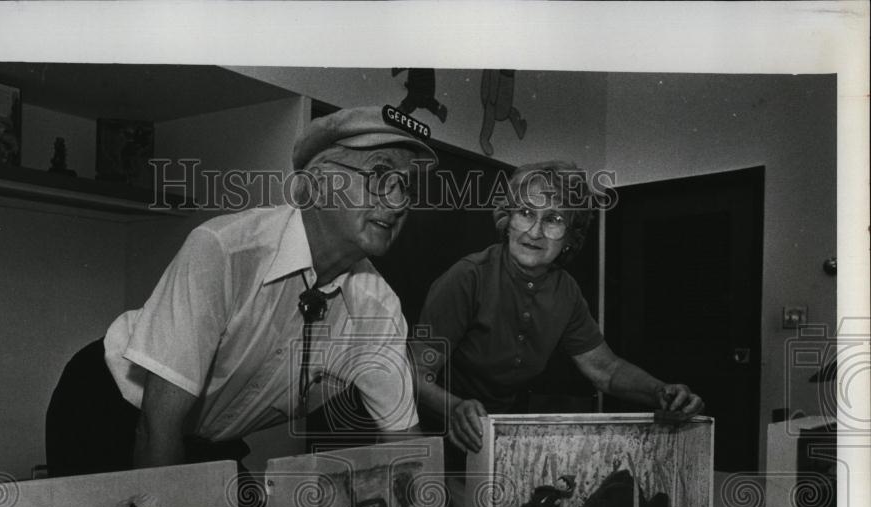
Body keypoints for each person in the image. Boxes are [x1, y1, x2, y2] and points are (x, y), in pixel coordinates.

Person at [46, 107, 437, 478]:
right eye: (379, 176)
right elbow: (156, 428)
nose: (398, 202)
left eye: (406, 186)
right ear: (317, 185)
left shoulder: (377, 307)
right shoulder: (224, 250)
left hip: (208, 437)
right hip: (112, 409)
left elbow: (404, 446)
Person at [411, 160, 703, 458]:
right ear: (507, 221)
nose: (535, 232)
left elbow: (606, 370)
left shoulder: (566, 291)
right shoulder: (467, 277)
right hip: (439, 432)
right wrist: (455, 407)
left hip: (503, 435)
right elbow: (415, 373)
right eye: (525, 213)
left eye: (553, 219)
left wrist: (660, 391)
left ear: (569, 237)